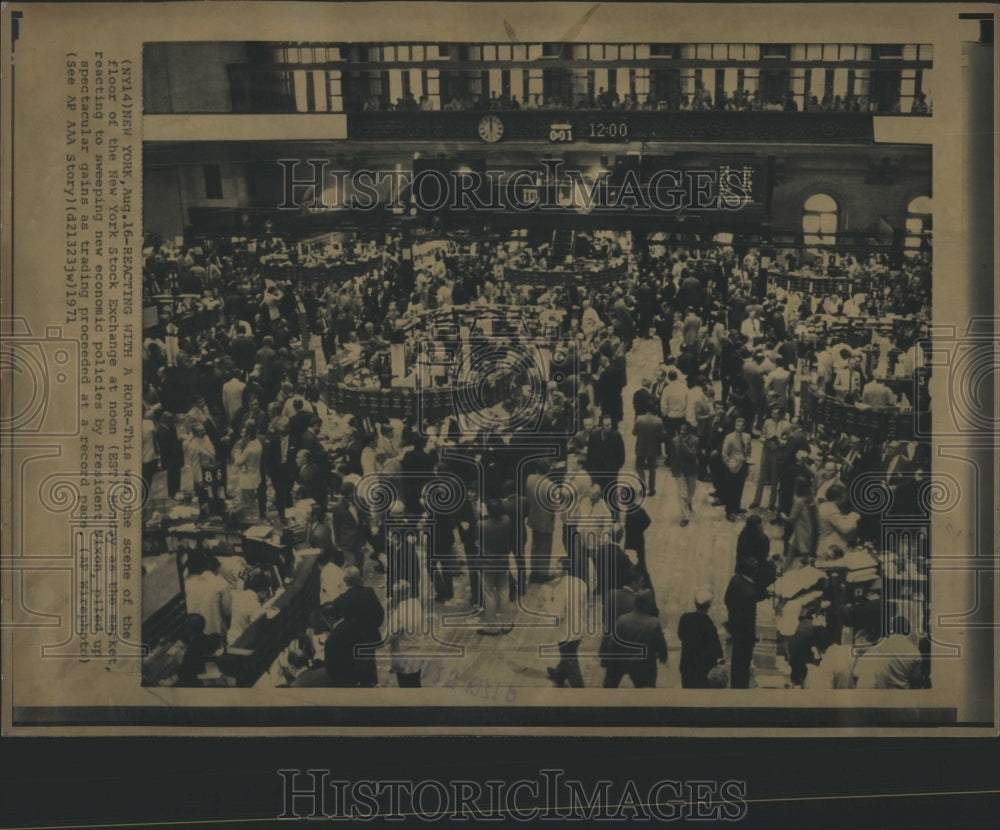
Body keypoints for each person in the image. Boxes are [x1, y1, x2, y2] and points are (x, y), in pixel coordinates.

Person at [322, 566, 385, 687]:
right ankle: (371, 685)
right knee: (369, 667)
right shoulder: (369, 592)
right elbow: (380, 615)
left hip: (350, 643)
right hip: (370, 638)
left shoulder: (340, 601)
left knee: (354, 668)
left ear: (345, 581)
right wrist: (370, 628)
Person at [599, 589, 668, 688]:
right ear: (649, 604)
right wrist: (663, 657)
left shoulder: (622, 619)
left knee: (610, 686)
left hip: (622, 661)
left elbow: (613, 643)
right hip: (644, 666)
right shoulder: (653, 623)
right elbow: (661, 645)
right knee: (647, 691)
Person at [724, 550, 769, 689]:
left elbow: (727, 600)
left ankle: (736, 684)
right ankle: (740, 687)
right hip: (746, 633)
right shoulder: (751, 592)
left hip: (735, 627)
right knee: (743, 663)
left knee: (737, 661)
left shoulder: (735, 580)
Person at [546, 554, 590, 688]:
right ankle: (559, 674)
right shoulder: (580, 583)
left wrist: (547, 601)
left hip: (566, 631)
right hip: (579, 626)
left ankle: (580, 691)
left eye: (557, 567)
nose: (553, 568)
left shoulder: (560, 589)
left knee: (570, 659)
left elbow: (558, 614)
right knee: (569, 653)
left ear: (565, 570)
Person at [854, 616, 924, 689]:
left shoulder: (882, 644)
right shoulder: (915, 651)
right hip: (904, 693)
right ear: (908, 631)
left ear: (892, 629)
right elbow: (916, 678)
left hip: (885, 691)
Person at [478, 499, 515, 636]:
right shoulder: (507, 521)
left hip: (487, 564)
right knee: (504, 592)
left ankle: (491, 627)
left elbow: (477, 541)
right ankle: (506, 624)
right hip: (502, 562)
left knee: (489, 594)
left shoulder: (481, 525)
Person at [677, 589, 725, 688]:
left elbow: (680, 635)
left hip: (687, 666)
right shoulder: (708, 623)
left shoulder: (685, 618)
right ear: (709, 605)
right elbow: (716, 649)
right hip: (703, 670)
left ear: (695, 603)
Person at [384, 580, 427, 687]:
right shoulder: (416, 603)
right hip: (417, 652)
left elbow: (386, 637)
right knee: (416, 683)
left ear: (397, 595)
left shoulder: (399, 615)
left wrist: (388, 613)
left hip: (404, 657)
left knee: (406, 687)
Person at [525, 461, 556, 582]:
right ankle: (542, 574)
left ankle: (534, 572)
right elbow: (555, 505)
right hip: (546, 520)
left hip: (533, 517)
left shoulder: (530, 479)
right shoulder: (550, 485)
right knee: (545, 548)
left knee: (535, 546)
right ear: (548, 470)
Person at [783, 477, 820, 567]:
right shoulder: (812, 499)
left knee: (795, 553)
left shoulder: (799, 501)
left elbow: (792, 518)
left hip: (801, 532)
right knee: (793, 551)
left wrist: (783, 516)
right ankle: (785, 569)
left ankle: (785, 570)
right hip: (809, 531)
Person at [721, 416, 752, 521]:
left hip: (743, 465)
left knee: (740, 487)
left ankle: (736, 506)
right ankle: (729, 512)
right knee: (731, 489)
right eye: (737, 425)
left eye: (741, 425)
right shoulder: (729, 437)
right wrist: (729, 465)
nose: (738, 427)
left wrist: (748, 461)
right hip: (733, 466)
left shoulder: (747, 436)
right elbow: (725, 454)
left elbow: (749, 450)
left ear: (744, 427)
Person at [670, 420, 700, 527]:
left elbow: (693, 454)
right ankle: (685, 517)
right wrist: (674, 471)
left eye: (684, 430)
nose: (682, 432)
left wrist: (683, 444)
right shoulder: (675, 440)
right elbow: (673, 457)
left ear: (689, 431)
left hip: (691, 470)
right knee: (682, 494)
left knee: (691, 490)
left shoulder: (695, 440)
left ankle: (689, 502)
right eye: (680, 430)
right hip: (680, 470)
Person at [632, 407, 665, 496]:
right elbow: (662, 436)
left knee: (639, 467)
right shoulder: (659, 421)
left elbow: (634, 432)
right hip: (653, 448)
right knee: (652, 469)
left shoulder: (639, 419)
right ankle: (651, 489)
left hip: (641, 447)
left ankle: (643, 486)